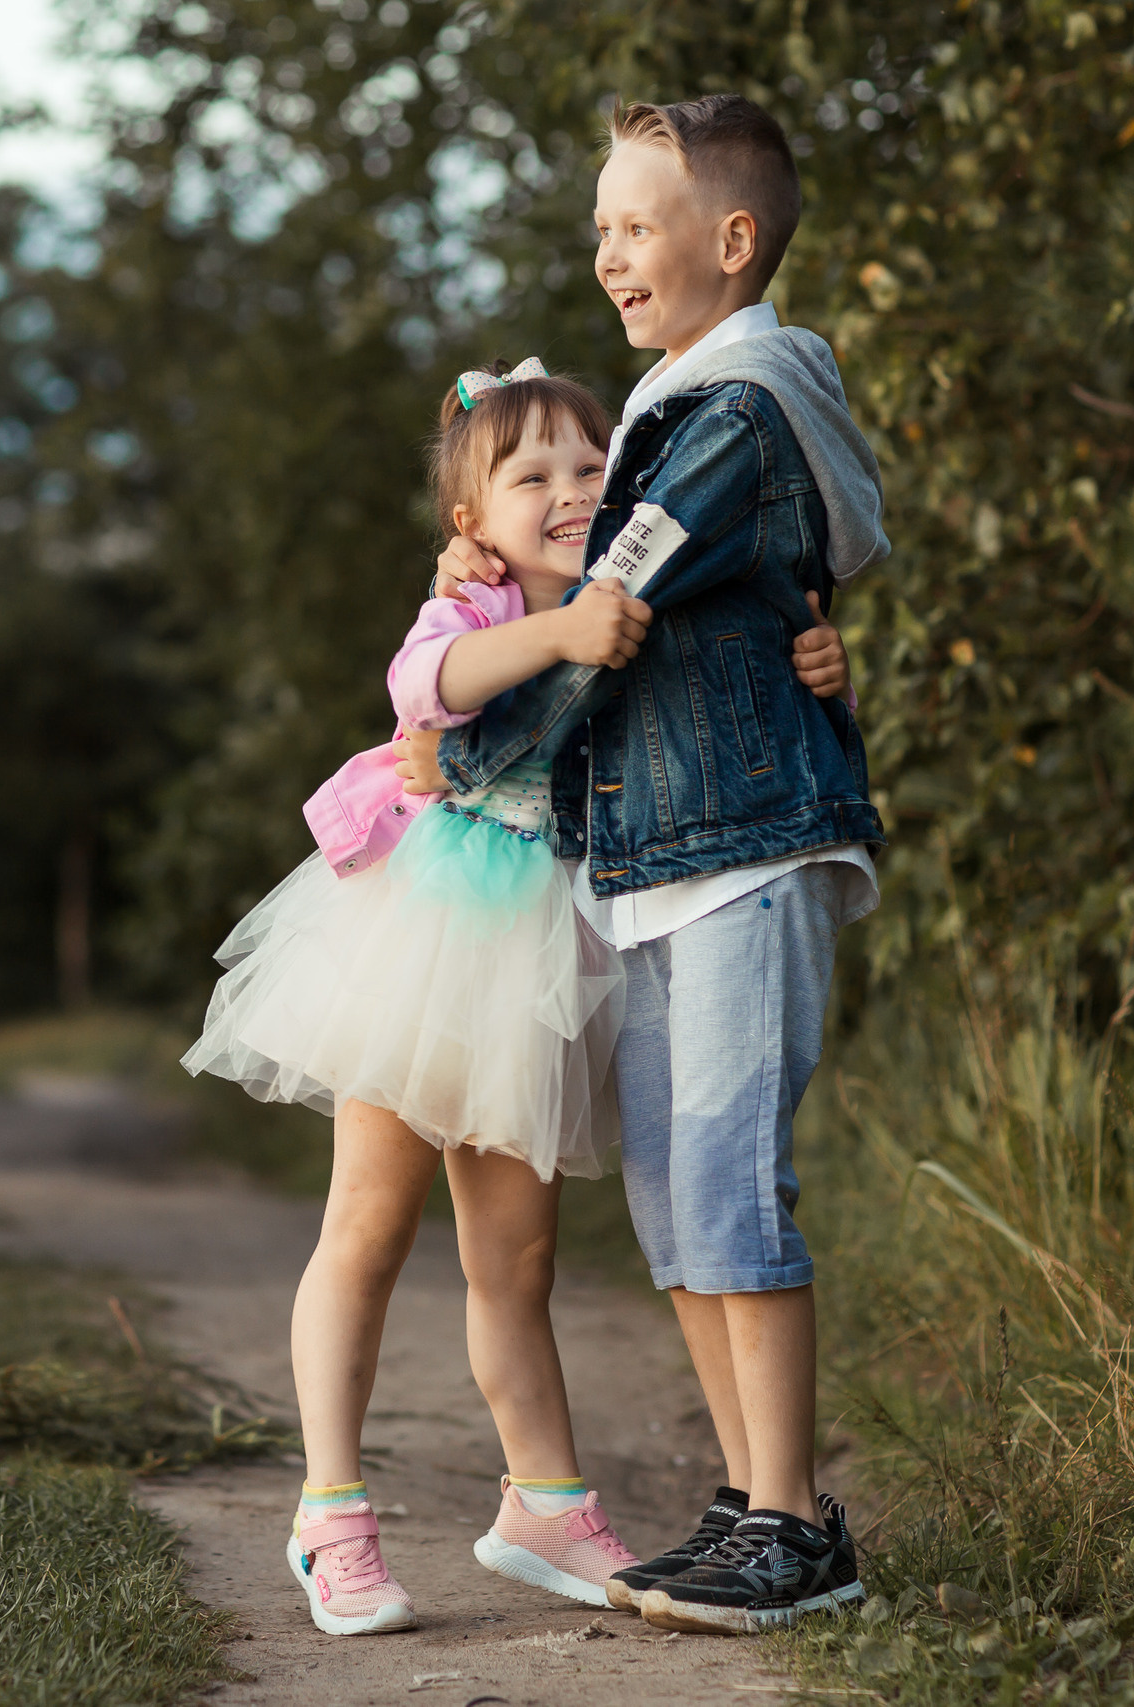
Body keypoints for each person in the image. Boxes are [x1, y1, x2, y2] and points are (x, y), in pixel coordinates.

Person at [184, 357, 852, 1637]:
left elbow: (722, 708)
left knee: (517, 1256)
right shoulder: (471, 611)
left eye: (589, 469)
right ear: (471, 522)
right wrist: (555, 628)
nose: (564, 491)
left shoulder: (652, 600)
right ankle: (330, 1513)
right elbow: (422, 693)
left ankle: (541, 1497)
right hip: (428, 935)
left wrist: (821, 661)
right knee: (368, 1227)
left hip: (550, 956)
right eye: (529, 475)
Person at [404, 93, 887, 1636]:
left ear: (729, 240)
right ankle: (759, 1503)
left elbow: (617, 609)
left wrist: (461, 738)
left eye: (634, 223)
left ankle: (797, 1522)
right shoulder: (676, 415)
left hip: (741, 851)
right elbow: (637, 584)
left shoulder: (731, 413)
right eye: (600, 226)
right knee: (682, 1204)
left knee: (735, 1183)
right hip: (666, 856)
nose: (608, 251)